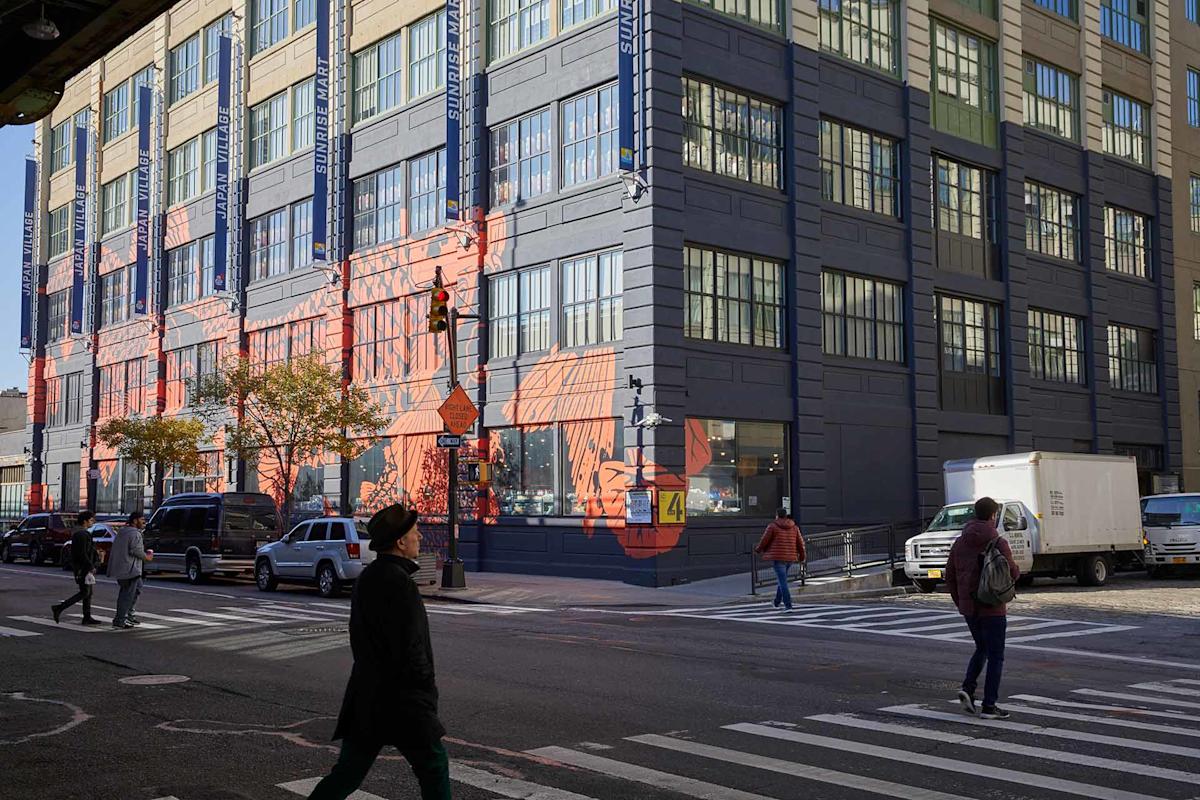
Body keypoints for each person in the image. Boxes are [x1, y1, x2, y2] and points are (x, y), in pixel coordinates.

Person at [307, 504, 451, 800]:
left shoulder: (369, 578)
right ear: (400, 542)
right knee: (434, 768)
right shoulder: (399, 583)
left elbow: (360, 637)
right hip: (403, 700)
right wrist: (425, 687)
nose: (420, 537)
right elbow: (410, 646)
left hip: (369, 697)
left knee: (348, 772)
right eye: (414, 533)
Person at [945, 496, 1020, 720]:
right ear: (993, 515)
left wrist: (961, 603)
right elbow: (1013, 573)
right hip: (992, 607)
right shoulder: (998, 542)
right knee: (996, 655)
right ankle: (989, 705)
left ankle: (968, 689)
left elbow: (949, 576)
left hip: (969, 608)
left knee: (982, 648)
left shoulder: (959, 542)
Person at [51, 511, 101, 626]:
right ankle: (59, 608)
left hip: (83, 567)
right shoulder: (81, 534)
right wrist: (90, 566)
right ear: (85, 521)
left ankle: (87, 617)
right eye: (91, 520)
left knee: (88, 592)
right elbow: (82, 553)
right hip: (82, 568)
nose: (93, 522)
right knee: (85, 592)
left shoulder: (81, 533)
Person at [108, 511, 153, 629]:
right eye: (142, 519)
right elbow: (135, 551)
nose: (144, 522)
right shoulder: (135, 534)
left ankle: (129, 615)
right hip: (130, 569)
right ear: (134, 521)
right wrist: (147, 557)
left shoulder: (122, 532)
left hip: (123, 568)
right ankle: (120, 619)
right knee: (127, 594)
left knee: (137, 588)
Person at [755, 508, 806, 610]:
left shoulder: (772, 526)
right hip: (790, 557)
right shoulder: (794, 527)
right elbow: (800, 544)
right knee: (782, 580)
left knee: (783, 582)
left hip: (778, 558)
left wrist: (758, 550)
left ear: (777, 515)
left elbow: (764, 540)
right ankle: (777, 602)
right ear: (786, 516)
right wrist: (802, 556)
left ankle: (788, 605)